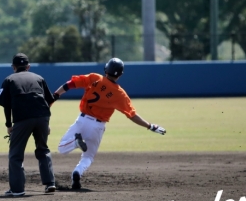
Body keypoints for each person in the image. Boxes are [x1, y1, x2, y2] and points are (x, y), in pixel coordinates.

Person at [53, 57, 166, 190]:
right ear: (120, 75)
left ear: (106, 69)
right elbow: (132, 115)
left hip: (82, 120)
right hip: (98, 126)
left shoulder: (95, 78)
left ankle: (75, 143)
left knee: (62, 148)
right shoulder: (120, 94)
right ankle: (77, 173)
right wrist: (150, 126)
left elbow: (71, 84)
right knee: (88, 156)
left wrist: (56, 95)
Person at [0, 53, 57, 196]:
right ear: (28, 66)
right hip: (42, 117)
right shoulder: (39, 78)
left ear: (14, 67)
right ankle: (50, 184)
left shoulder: (9, 80)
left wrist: (9, 124)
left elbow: (6, 105)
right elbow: (49, 100)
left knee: (16, 155)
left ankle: (17, 189)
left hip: (22, 120)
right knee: (43, 150)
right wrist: (46, 122)